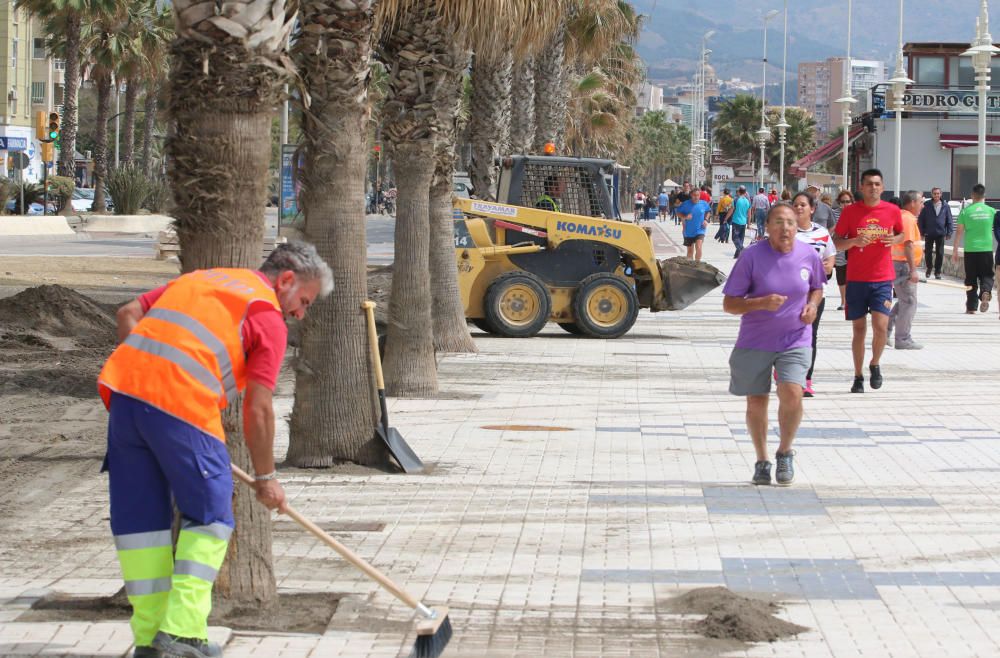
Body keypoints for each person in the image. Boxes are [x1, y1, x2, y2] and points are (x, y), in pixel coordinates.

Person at [98, 243, 334, 658]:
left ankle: (150, 638)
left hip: (124, 403)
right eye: (304, 301)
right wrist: (266, 478)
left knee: (141, 528)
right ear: (285, 281)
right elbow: (258, 409)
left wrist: (147, 376)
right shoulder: (265, 315)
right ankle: (183, 633)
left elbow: (127, 314)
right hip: (182, 405)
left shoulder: (200, 279)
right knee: (211, 515)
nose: (301, 313)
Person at [723, 202, 825, 486]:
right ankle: (761, 459)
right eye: (778, 222)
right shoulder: (751, 257)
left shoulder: (808, 255)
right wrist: (761, 303)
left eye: (791, 222)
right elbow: (729, 304)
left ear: (798, 225)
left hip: (795, 338)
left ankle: (784, 451)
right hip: (755, 340)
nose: (785, 228)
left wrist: (813, 306)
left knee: (793, 392)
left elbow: (818, 286)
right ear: (766, 227)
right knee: (757, 402)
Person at [833, 168, 904, 394]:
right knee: (859, 329)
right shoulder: (850, 212)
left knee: (881, 327)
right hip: (856, 279)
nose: (873, 188)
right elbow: (836, 242)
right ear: (861, 187)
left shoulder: (892, 210)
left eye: (877, 184)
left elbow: (904, 234)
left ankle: (875, 363)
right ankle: (858, 375)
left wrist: (896, 238)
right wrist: (854, 241)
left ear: (882, 187)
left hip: (883, 278)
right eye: (869, 184)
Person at [792, 192, 836, 398]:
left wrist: (828, 266)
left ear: (812, 209)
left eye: (803, 205)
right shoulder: (785, 232)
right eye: (796, 205)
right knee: (789, 334)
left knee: (810, 336)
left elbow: (830, 258)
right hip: (790, 294)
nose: (799, 208)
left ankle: (806, 380)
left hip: (816, 293)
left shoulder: (822, 233)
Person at [952, 183, 997, 314]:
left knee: (970, 279)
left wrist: (955, 250)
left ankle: (971, 307)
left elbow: (959, 232)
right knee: (987, 275)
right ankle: (986, 292)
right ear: (984, 196)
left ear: (972, 196)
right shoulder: (991, 211)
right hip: (986, 250)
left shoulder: (965, 212)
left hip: (970, 251)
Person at [888, 190, 924, 349]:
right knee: (909, 302)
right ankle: (902, 339)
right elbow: (908, 245)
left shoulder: (901, 215)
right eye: (921, 202)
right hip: (903, 265)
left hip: (899, 264)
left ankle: (884, 333)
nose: (923, 206)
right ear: (912, 203)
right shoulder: (908, 219)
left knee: (903, 302)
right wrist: (913, 270)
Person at [917, 187, 953, 280]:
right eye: (935, 193)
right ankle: (929, 268)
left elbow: (949, 219)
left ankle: (937, 272)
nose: (936, 195)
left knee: (940, 253)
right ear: (932, 194)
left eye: (938, 193)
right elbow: (921, 219)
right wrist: (921, 231)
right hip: (929, 232)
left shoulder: (945, 205)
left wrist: (949, 232)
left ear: (941, 194)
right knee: (928, 252)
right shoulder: (927, 205)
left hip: (940, 233)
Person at [832, 190, 854, 310]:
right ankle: (843, 301)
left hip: (853, 246)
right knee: (841, 275)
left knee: (852, 276)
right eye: (843, 202)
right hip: (839, 248)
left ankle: (851, 301)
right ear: (839, 203)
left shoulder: (856, 213)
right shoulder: (833, 213)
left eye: (848, 201)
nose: (845, 204)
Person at [678, 191, 710, 261]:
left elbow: (708, 211)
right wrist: (685, 217)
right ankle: (690, 267)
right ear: (691, 195)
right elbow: (678, 213)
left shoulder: (703, 203)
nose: (696, 197)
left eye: (698, 195)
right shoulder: (685, 204)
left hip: (700, 230)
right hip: (688, 231)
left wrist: (706, 220)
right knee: (690, 252)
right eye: (694, 195)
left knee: (698, 247)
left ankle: (697, 264)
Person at [731, 186, 752, 258]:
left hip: (736, 221)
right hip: (744, 222)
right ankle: (737, 255)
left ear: (739, 192)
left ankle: (743, 250)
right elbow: (749, 214)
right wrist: (748, 224)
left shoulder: (736, 200)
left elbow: (731, 210)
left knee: (734, 238)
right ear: (745, 192)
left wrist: (726, 218)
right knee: (741, 239)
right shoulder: (747, 201)